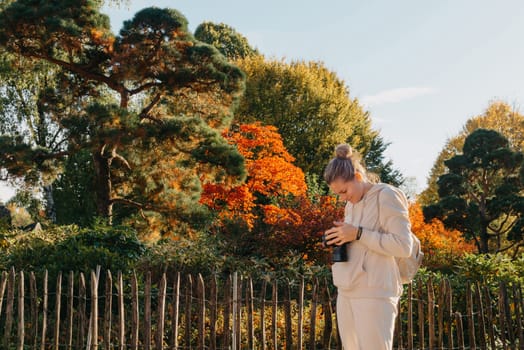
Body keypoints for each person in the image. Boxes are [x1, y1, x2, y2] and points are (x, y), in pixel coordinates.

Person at [323, 143, 413, 350]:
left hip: (375, 292)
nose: (343, 198)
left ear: (358, 177)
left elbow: (403, 246)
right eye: (339, 194)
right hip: (347, 289)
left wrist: (358, 233)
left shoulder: (387, 195)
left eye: (344, 191)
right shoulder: (351, 204)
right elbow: (358, 241)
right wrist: (339, 237)